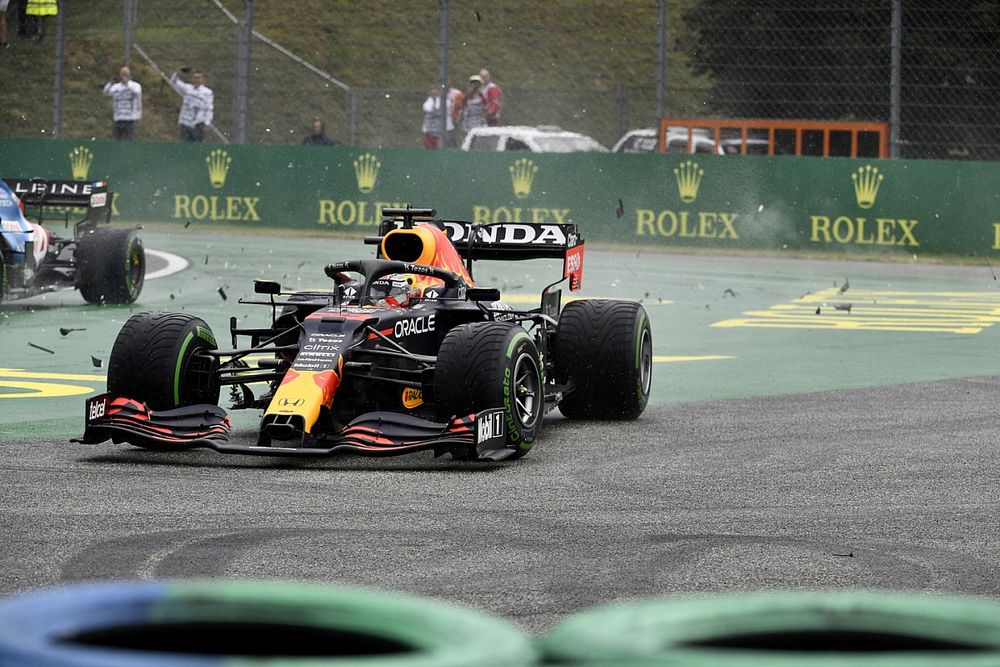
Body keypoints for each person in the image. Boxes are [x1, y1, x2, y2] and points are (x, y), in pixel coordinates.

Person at [169, 68, 213, 142]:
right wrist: (177, 72)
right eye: (195, 78)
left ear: (202, 79)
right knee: (185, 146)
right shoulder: (188, 89)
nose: (197, 80)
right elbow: (173, 82)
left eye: (199, 78)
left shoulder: (207, 92)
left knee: (198, 147)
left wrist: (206, 122)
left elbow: (209, 108)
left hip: (198, 123)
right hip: (185, 122)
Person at [102, 66, 142, 141]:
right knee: (117, 140)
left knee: (128, 140)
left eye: (126, 74)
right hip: (118, 118)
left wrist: (127, 84)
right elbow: (106, 93)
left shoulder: (135, 85)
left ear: (129, 75)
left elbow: (137, 92)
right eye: (123, 74)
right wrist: (110, 83)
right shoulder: (116, 87)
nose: (124, 76)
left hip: (129, 119)